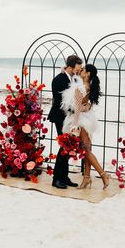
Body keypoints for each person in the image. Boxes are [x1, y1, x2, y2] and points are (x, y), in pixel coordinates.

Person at [61, 64, 110, 190]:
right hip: (88, 119)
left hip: (80, 121)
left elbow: (77, 108)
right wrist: (64, 70)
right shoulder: (88, 86)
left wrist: (75, 125)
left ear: (87, 74)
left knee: (86, 151)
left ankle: (103, 175)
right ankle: (86, 178)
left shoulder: (80, 87)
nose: (80, 71)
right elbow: (86, 105)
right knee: (87, 149)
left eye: (83, 70)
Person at [48, 55, 83, 189]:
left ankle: (64, 177)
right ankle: (56, 179)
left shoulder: (73, 78)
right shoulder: (58, 79)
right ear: (70, 67)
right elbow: (61, 101)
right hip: (60, 117)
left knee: (68, 148)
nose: (78, 71)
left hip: (70, 117)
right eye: (77, 68)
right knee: (64, 147)